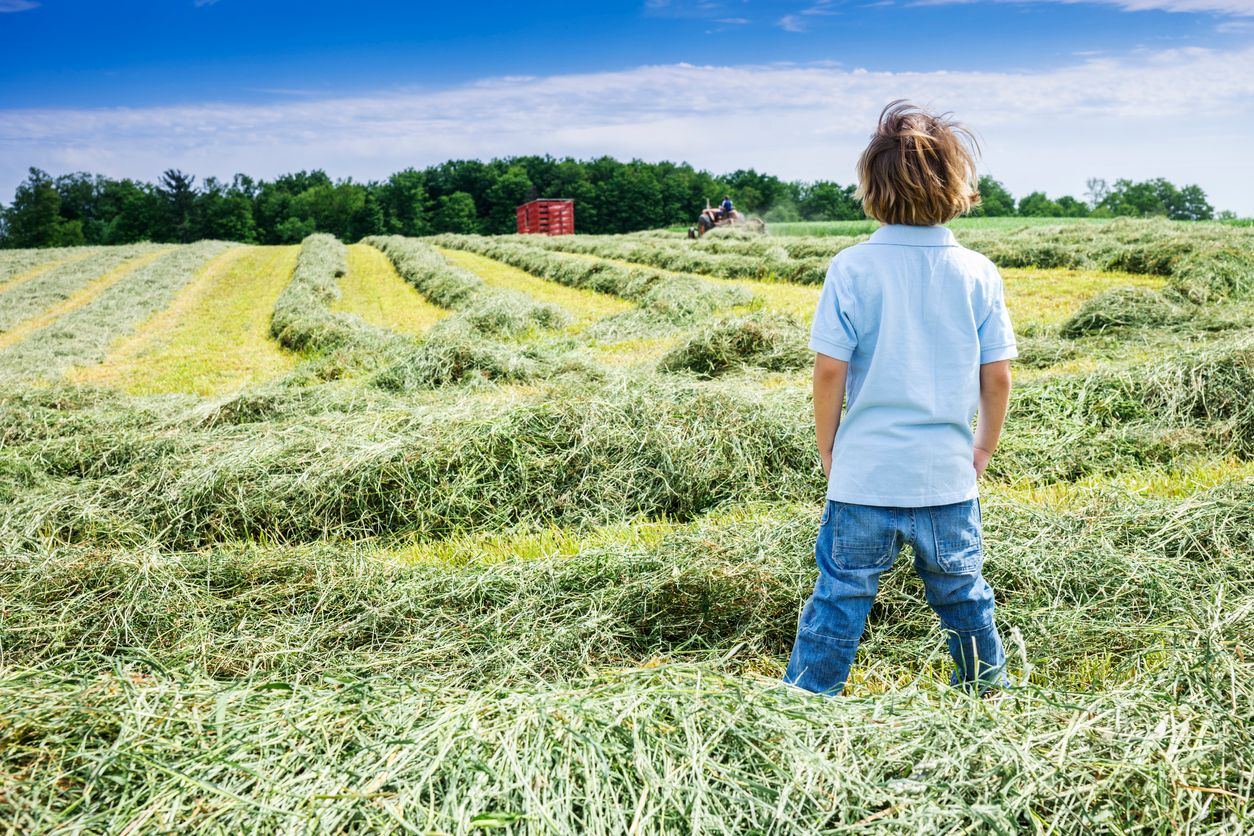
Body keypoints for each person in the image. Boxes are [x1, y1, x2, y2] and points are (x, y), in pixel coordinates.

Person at [782, 101, 1017, 696]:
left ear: (871, 189)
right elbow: (997, 378)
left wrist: (830, 448)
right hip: (946, 476)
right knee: (963, 595)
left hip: (864, 473)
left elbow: (829, 372)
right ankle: (988, 698)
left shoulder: (851, 267)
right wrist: (984, 446)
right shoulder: (977, 272)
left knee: (839, 598)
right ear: (958, 188)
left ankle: (807, 703)